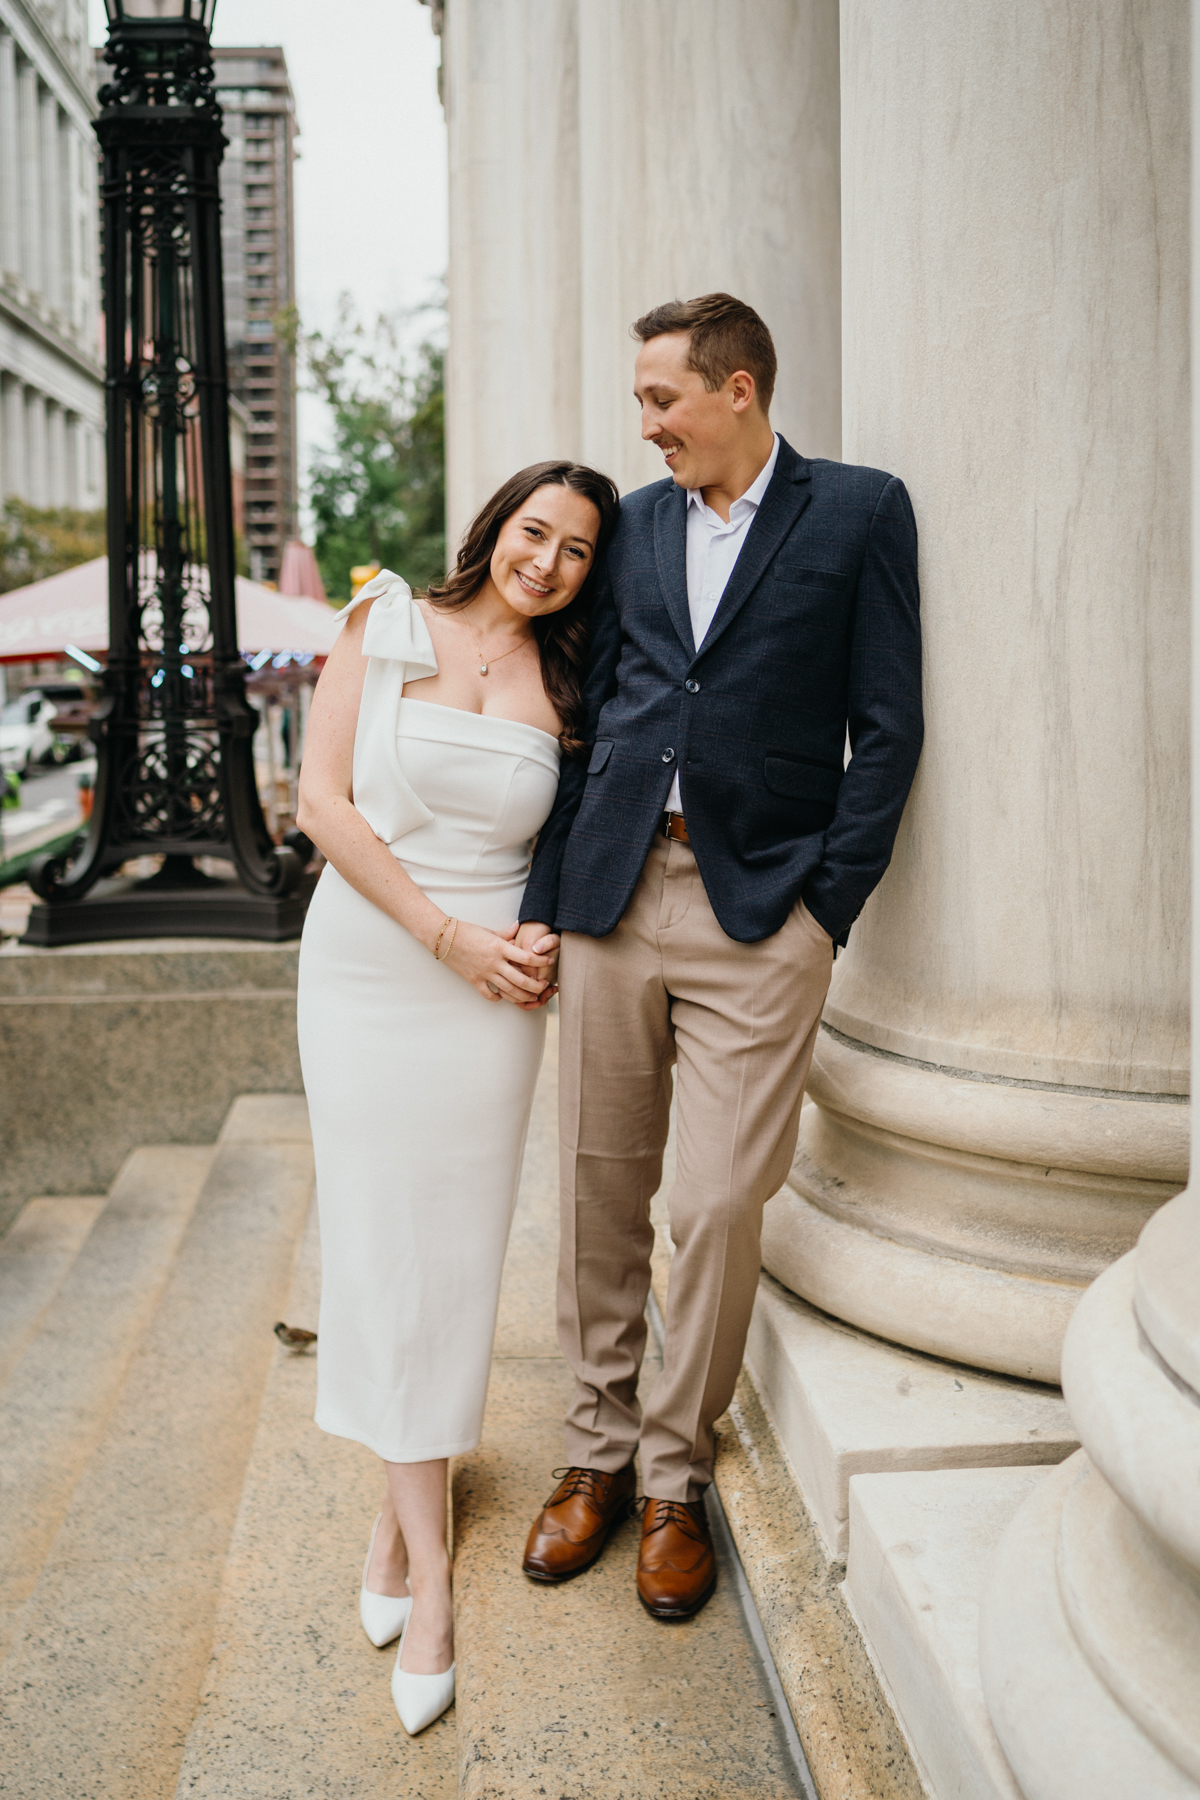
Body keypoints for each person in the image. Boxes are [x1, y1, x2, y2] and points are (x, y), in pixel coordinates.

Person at [517, 294, 923, 1619]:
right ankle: (595, 1457)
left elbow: (889, 727)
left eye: (662, 401)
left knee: (714, 1206)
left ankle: (677, 1478)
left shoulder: (859, 512)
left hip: (766, 912)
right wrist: (548, 896)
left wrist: (827, 910)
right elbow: (590, 718)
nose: (645, 427)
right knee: (595, 1191)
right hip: (615, 894)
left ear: (737, 388)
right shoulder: (630, 528)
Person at [295, 460, 619, 1732]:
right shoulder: (382, 622)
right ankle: (428, 1574)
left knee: (459, 1258)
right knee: (382, 1246)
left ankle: (399, 1503)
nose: (547, 560)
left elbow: (567, 839)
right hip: (378, 963)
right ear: (495, 528)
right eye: (534, 531)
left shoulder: (573, 684)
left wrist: (529, 937)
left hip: (497, 995)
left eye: (578, 550)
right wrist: (446, 938)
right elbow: (325, 803)